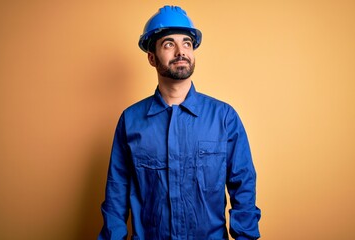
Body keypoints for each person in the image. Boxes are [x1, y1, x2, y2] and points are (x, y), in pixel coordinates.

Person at [99, 5, 261, 240]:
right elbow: (116, 195)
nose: (180, 51)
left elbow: (243, 186)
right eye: (168, 44)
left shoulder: (224, 117)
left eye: (187, 43)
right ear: (152, 58)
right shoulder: (131, 120)